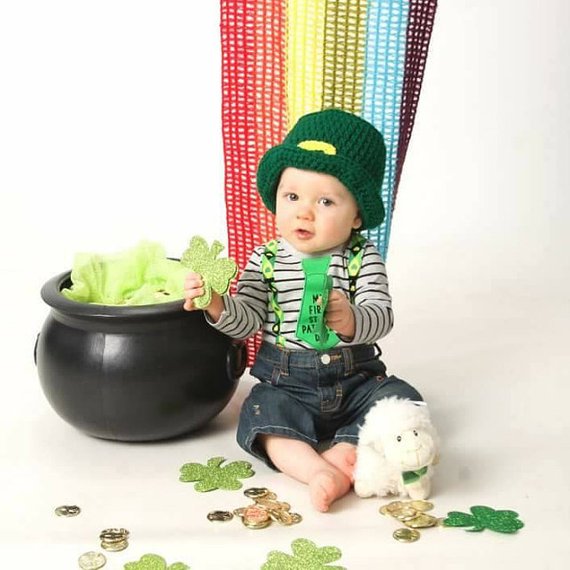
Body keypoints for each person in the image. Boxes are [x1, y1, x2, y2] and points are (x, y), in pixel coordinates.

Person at [183, 109, 422, 512]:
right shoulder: (266, 260)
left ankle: (343, 453)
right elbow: (248, 320)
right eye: (292, 196)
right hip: (287, 380)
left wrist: (350, 319)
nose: (304, 212)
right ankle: (315, 471)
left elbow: (382, 315)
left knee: (401, 399)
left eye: (325, 200)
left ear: (357, 215)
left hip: (355, 377)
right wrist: (216, 303)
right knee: (260, 411)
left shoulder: (362, 258)